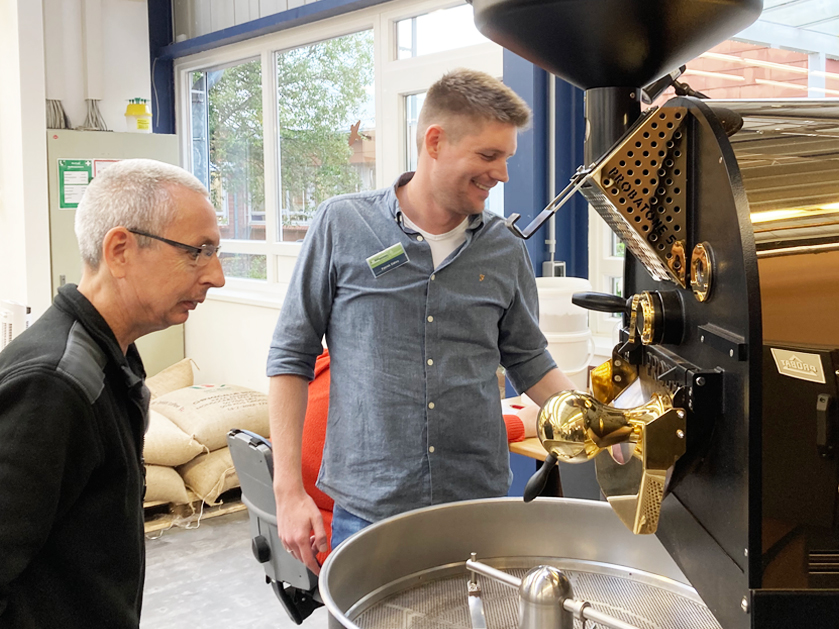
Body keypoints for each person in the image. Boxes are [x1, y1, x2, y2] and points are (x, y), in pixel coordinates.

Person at [267, 68, 575, 575]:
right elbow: (290, 357)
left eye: (506, 158)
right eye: (488, 155)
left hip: (475, 503)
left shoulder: (503, 248)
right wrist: (288, 491)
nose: (502, 174)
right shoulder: (342, 225)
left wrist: (591, 420)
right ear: (435, 141)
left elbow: (528, 358)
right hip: (368, 510)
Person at [0, 159, 225, 627]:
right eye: (198, 251)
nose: (215, 276)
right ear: (120, 250)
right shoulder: (55, 384)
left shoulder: (112, 356)